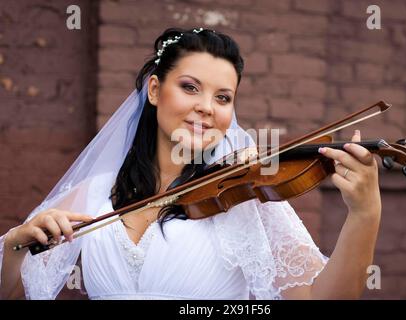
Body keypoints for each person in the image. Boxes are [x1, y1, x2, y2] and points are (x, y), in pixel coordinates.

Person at [0, 27, 381, 300]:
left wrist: (364, 214)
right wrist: (16, 248)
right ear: (154, 90)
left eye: (223, 98)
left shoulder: (243, 196)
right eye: (190, 87)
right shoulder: (94, 194)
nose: (206, 107)